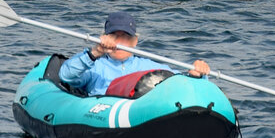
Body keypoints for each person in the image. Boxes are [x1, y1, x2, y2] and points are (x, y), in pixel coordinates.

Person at [58, 11, 211, 96]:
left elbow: (182, 84)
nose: (119, 42)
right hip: (104, 117)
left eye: (125, 37)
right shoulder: (95, 66)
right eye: (114, 36)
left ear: (134, 41)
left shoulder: (149, 66)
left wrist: (196, 75)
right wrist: (96, 51)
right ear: (104, 37)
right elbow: (66, 75)